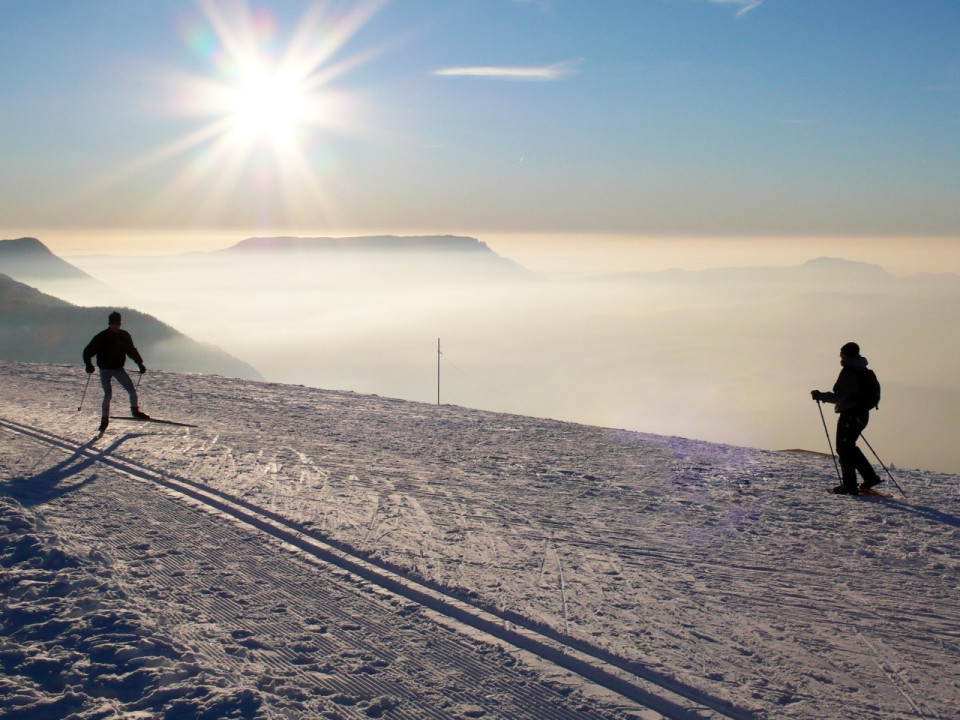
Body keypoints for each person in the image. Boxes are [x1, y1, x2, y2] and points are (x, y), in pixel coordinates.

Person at [811, 342, 883, 495]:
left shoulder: (848, 372)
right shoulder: (861, 370)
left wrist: (820, 396)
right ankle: (870, 477)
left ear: (846, 354)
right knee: (849, 446)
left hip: (850, 414)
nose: (840, 356)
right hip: (862, 414)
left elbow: (839, 396)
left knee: (843, 448)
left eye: (842, 353)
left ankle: (850, 485)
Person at [83, 311, 149, 433]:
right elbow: (87, 351)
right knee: (108, 394)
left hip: (118, 369)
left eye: (118, 324)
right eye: (114, 324)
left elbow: (131, 351)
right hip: (105, 370)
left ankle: (135, 411)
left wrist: (140, 364)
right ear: (110, 324)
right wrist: (89, 365)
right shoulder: (101, 337)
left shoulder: (124, 336)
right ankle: (104, 420)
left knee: (132, 391)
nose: (116, 326)